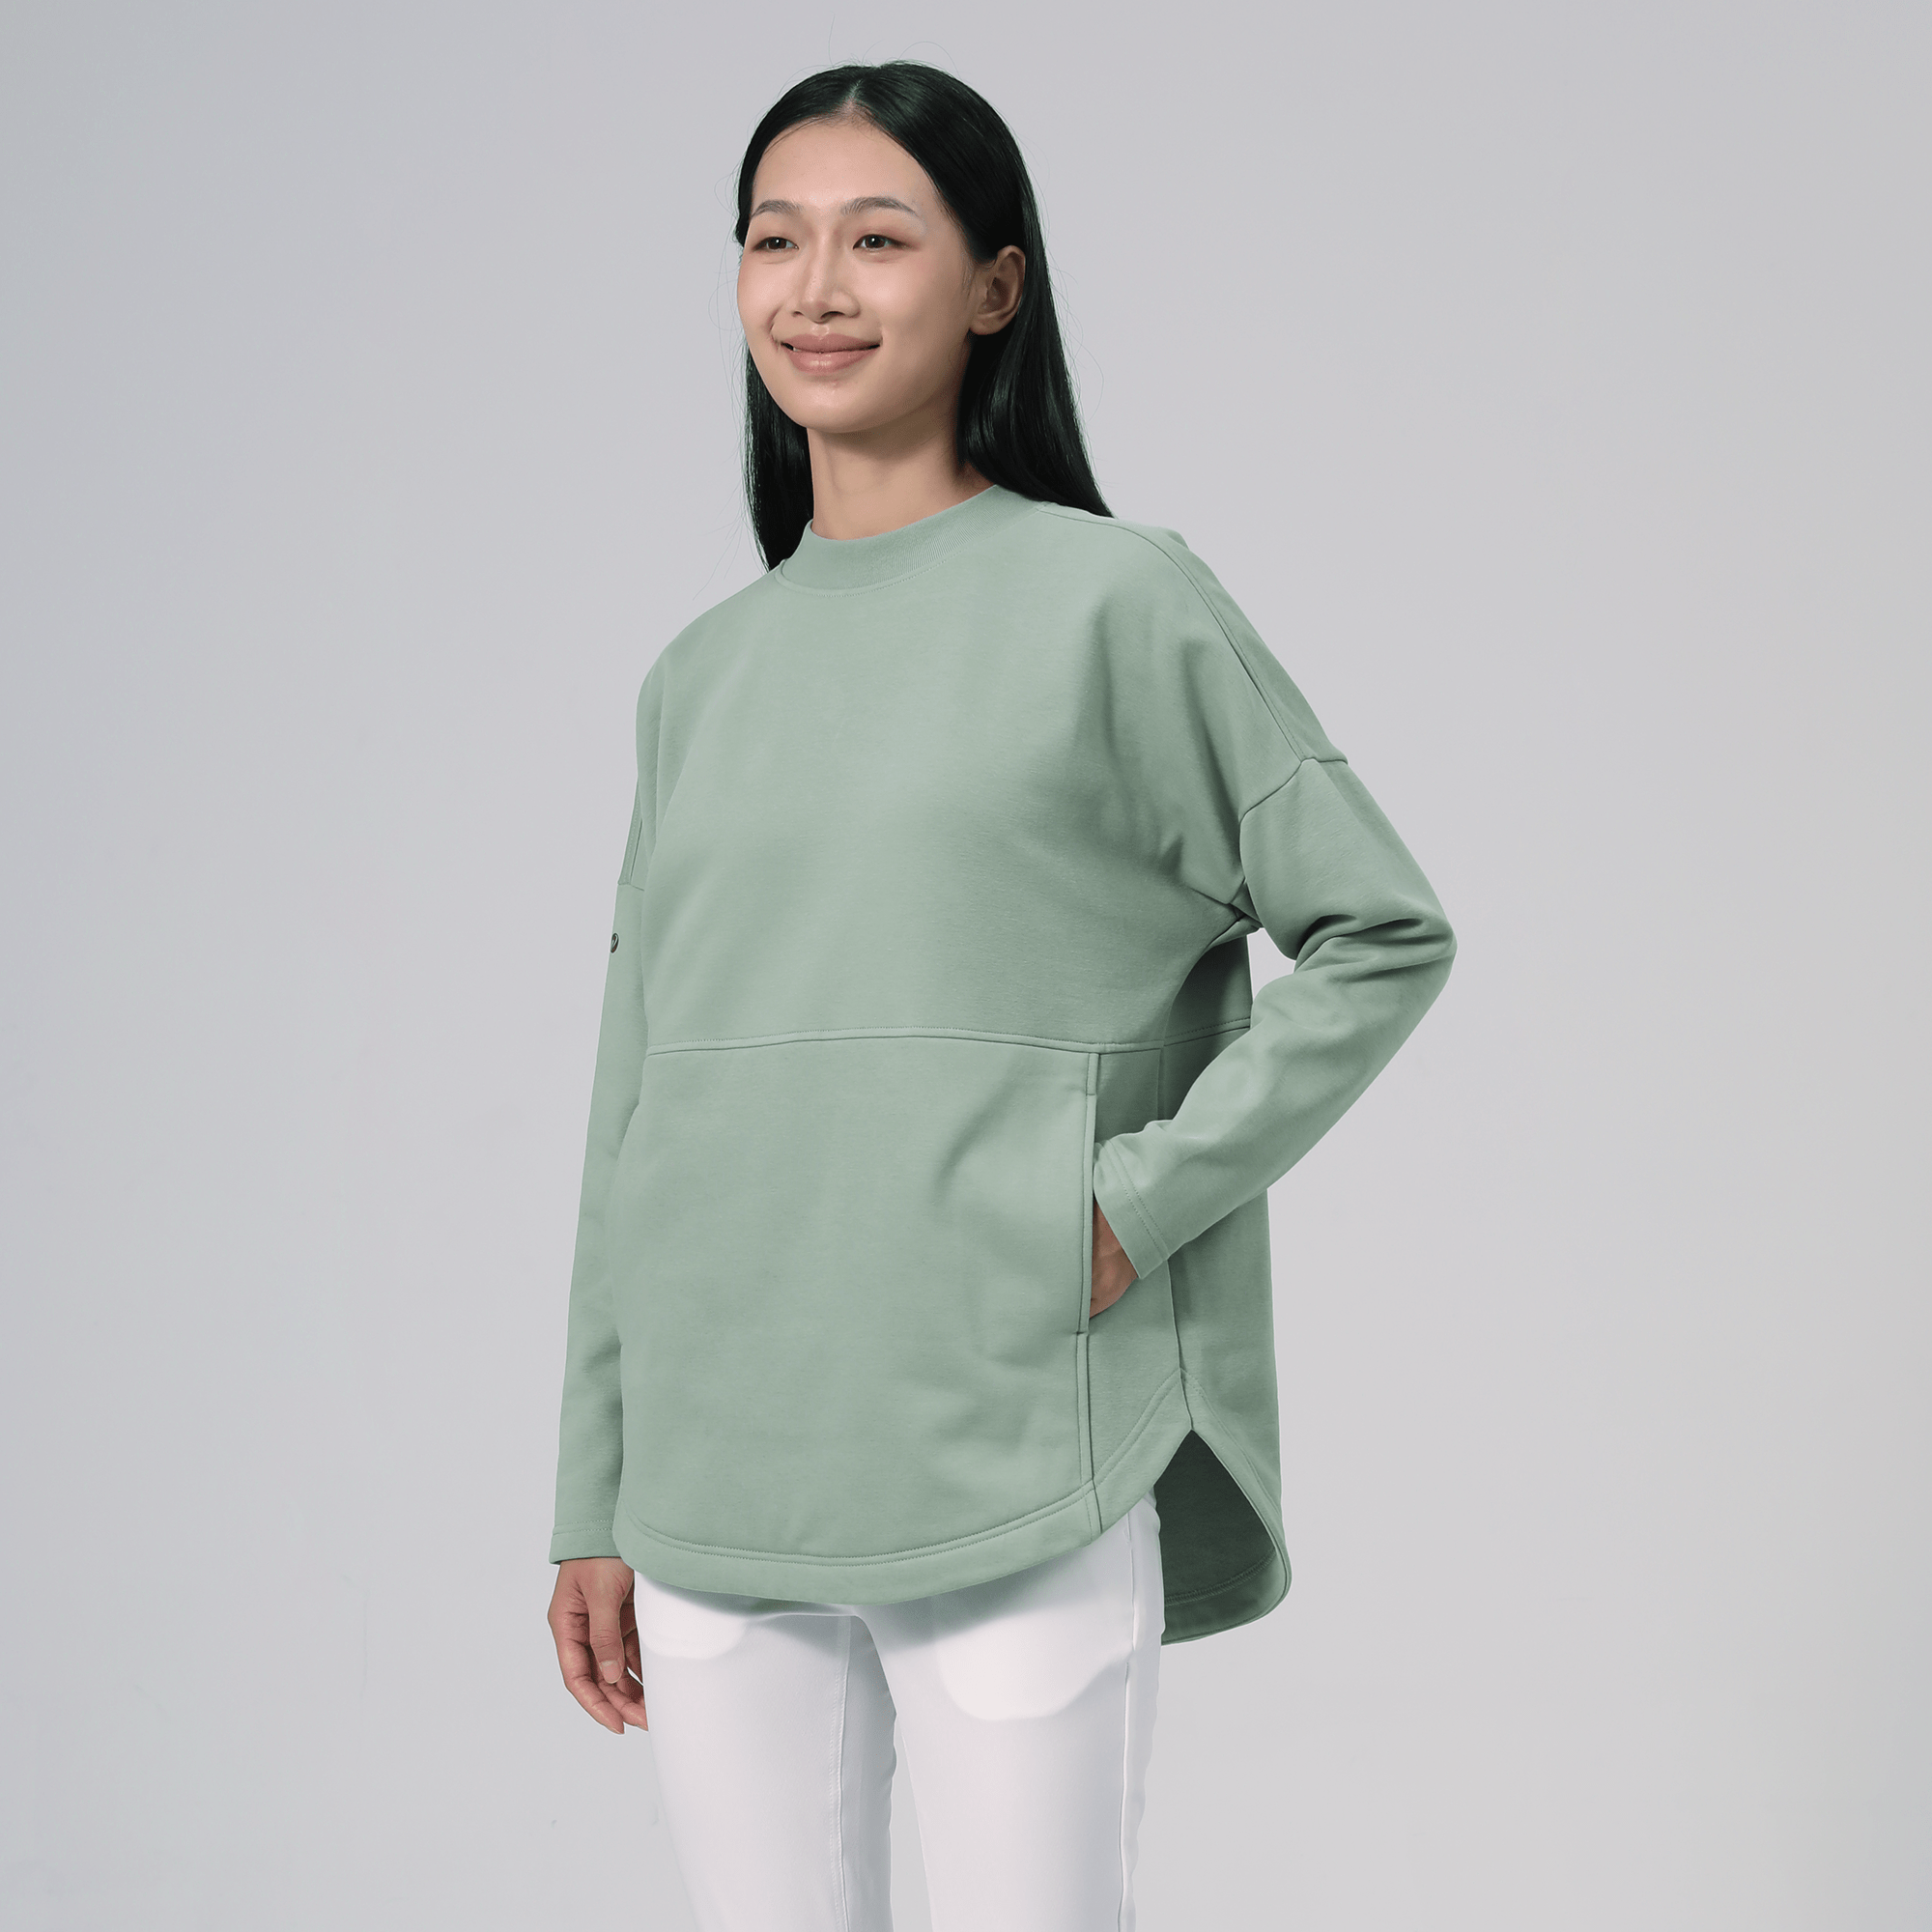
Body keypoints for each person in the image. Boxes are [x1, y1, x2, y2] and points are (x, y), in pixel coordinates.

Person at [543, 59, 1455, 1932]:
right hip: (716, 1454)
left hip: (1012, 1419)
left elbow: (1380, 929)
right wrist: (591, 1492)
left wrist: (1129, 1206)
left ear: (994, 287)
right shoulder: (696, 678)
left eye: (878, 240)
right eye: (774, 240)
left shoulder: (1120, 603)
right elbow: (641, 1094)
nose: (816, 288)